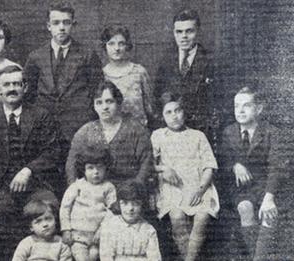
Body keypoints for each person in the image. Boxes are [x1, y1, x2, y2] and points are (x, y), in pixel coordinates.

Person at [0, 65, 60, 260]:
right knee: (1, 212)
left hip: (35, 183)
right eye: (6, 84)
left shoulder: (40, 115)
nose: (12, 88)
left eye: (17, 84)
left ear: (25, 87)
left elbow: (52, 151)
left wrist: (28, 170)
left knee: (47, 206)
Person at [23, 0, 103, 165]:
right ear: (48, 26)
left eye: (66, 22)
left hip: (77, 127)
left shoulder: (87, 55)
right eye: (56, 23)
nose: (61, 27)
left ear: (73, 24)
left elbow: (97, 91)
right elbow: (28, 95)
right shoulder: (36, 57)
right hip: (45, 129)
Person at [220, 87, 288, 260]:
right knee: (245, 207)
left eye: (247, 106)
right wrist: (235, 165)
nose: (240, 111)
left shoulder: (273, 133)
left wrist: (269, 197)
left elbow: (277, 167)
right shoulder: (229, 132)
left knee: (268, 214)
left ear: (259, 109)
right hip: (243, 189)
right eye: (236, 106)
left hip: (270, 187)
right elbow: (223, 159)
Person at [151, 92, 218, 261]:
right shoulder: (158, 135)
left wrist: (201, 189)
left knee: (202, 217)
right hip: (172, 187)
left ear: (184, 112)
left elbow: (209, 165)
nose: (174, 116)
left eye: (178, 110)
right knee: (177, 216)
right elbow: (148, 164)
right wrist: (163, 168)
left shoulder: (197, 135)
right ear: (162, 116)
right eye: (169, 112)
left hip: (198, 185)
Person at [66, 80, 153, 187]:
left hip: (129, 192)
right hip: (94, 194)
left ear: (118, 102)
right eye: (99, 102)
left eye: (109, 101)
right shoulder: (85, 132)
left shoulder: (136, 130)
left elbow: (146, 163)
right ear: (93, 106)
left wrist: (136, 187)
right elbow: (71, 164)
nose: (104, 107)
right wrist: (75, 189)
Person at [154, 9, 215, 134]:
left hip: (202, 131)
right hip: (172, 132)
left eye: (189, 31)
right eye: (179, 32)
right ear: (174, 33)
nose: (184, 37)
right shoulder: (166, 61)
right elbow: (157, 96)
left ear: (198, 32)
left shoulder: (212, 61)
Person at [60, 147, 117, 261]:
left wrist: (102, 231)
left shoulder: (108, 187)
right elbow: (65, 207)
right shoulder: (77, 186)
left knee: (94, 256)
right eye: (90, 168)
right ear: (83, 170)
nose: (95, 172)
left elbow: (112, 211)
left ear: (106, 168)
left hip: (97, 236)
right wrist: (66, 229)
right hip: (78, 236)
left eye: (100, 167)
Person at [101, 25, 157, 127]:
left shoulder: (139, 72)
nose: (117, 48)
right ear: (105, 46)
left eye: (121, 43)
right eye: (111, 44)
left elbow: (150, 107)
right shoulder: (101, 75)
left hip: (139, 132)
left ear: (127, 46)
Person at [100, 181, 161, 261]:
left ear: (142, 205)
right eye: (125, 203)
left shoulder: (149, 230)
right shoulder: (109, 227)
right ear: (118, 204)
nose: (130, 208)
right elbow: (106, 257)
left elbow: (154, 258)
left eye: (136, 204)